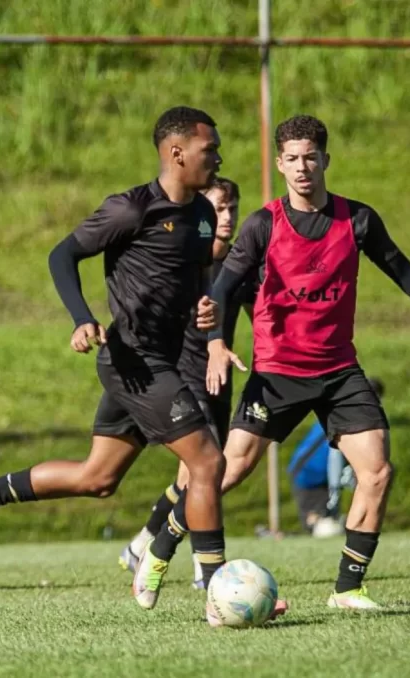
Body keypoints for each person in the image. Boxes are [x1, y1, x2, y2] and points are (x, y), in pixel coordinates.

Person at [141, 114, 410, 611]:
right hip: (277, 373)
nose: (302, 167)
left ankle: (348, 589)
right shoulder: (263, 224)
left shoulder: (357, 220)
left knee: (377, 471)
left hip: (338, 372)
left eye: (310, 157)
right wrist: (216, 342)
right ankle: (161, 545)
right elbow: (223, 287)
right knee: (225, 473)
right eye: (291, 159)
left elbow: (401, 269)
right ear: (280, 164)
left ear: (325, 159)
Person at [0, 107, 232, 620]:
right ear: (177, 152)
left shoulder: (203, 215)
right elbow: (62, 255)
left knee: (97, 478)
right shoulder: (130, 209)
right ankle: (217, 591)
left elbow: (198, 276)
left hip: (160, 361)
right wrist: (81, 318)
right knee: (207, 462)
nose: (219, 157)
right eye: (210, 149)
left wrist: (205, 308)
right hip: (134, 361)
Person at [118, 176, 252, 589]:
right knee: (205, 470)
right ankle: (202, 568)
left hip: (218, 379)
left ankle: (141, 544)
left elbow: (262, 313)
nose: (226, 216)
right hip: (183, 375)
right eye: (218, 208)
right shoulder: (184, 257)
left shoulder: (240, 263)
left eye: (231, 208)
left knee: (193, 478)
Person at [288, 376, 382, 537]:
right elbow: (335, 455)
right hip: (309, 474)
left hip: (319, 473)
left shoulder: (351, 414)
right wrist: (336, 487)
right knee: (323, 528)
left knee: (332, 522)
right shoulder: (346, 417)